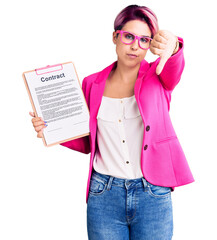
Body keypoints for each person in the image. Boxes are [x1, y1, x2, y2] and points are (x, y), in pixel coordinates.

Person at [29, 4, 194, 240]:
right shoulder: (90, 84)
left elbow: (175, 66)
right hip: (104, 195)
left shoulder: (158, 76)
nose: (136, 46)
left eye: (144, 40)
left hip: (153, 193)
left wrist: (174, 47)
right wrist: (50, 128)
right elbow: (88, 141)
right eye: (128, 36)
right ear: (115, 37)